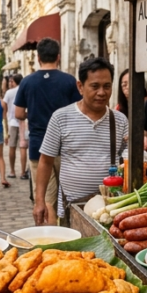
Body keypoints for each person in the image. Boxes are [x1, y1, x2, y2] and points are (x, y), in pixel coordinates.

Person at [36, 57, 128, 225]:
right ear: (80, 87)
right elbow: (45, 161)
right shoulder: (61, 118)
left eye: (107, 86)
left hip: (109, 210)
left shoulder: (120, 121)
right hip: (71, 207)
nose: (101, 92)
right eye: (95, 86)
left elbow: (129, 161)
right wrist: (40, 200)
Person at [14, 38, 81, 225]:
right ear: (58, 57)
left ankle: (52, 236)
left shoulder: (27, 82)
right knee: (69, 195)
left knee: (46, 198)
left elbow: (19, 113)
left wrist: (34, 112)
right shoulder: (69, 81)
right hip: (65, 147)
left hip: (38, 146)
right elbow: (78, 110)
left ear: (38, 58)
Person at [3, 73, 27, 179]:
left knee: (12, 147)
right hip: (23, 122)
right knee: (23, 147)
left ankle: (12, 171)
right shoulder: (25, 91)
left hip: (12, 122)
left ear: (14, 81)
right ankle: (22, 172)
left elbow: (4, 108)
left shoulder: (9, 92)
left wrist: (5, 125)